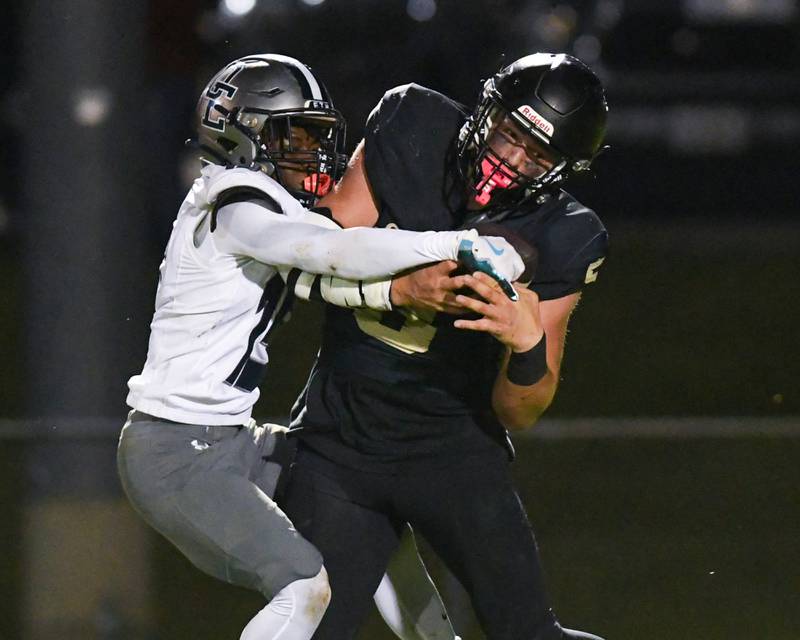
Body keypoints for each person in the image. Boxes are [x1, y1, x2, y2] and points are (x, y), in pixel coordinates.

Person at [116, 53, 523, 640]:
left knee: (363, 503)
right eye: (293, 136)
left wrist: (410, 279)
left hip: (231, 441)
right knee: (303, 586)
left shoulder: (265, 204)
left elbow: (334, 271)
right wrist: (459, 242)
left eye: (314, 136)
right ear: (241, 130)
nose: (310, 153)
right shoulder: (236, 202)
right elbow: (333, 253)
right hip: (177, 453)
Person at [280, 53, 610, 640]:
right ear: (488, 111)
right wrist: (399, 287)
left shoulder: (567, 234)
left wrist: (526, 343)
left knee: (529, 634)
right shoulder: (415, 125)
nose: (510, 161)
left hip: (453, 454)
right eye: (511, 134)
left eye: (537, 155)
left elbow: (522, 409)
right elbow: (319, 249)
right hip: (340, 444)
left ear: (562, 170)